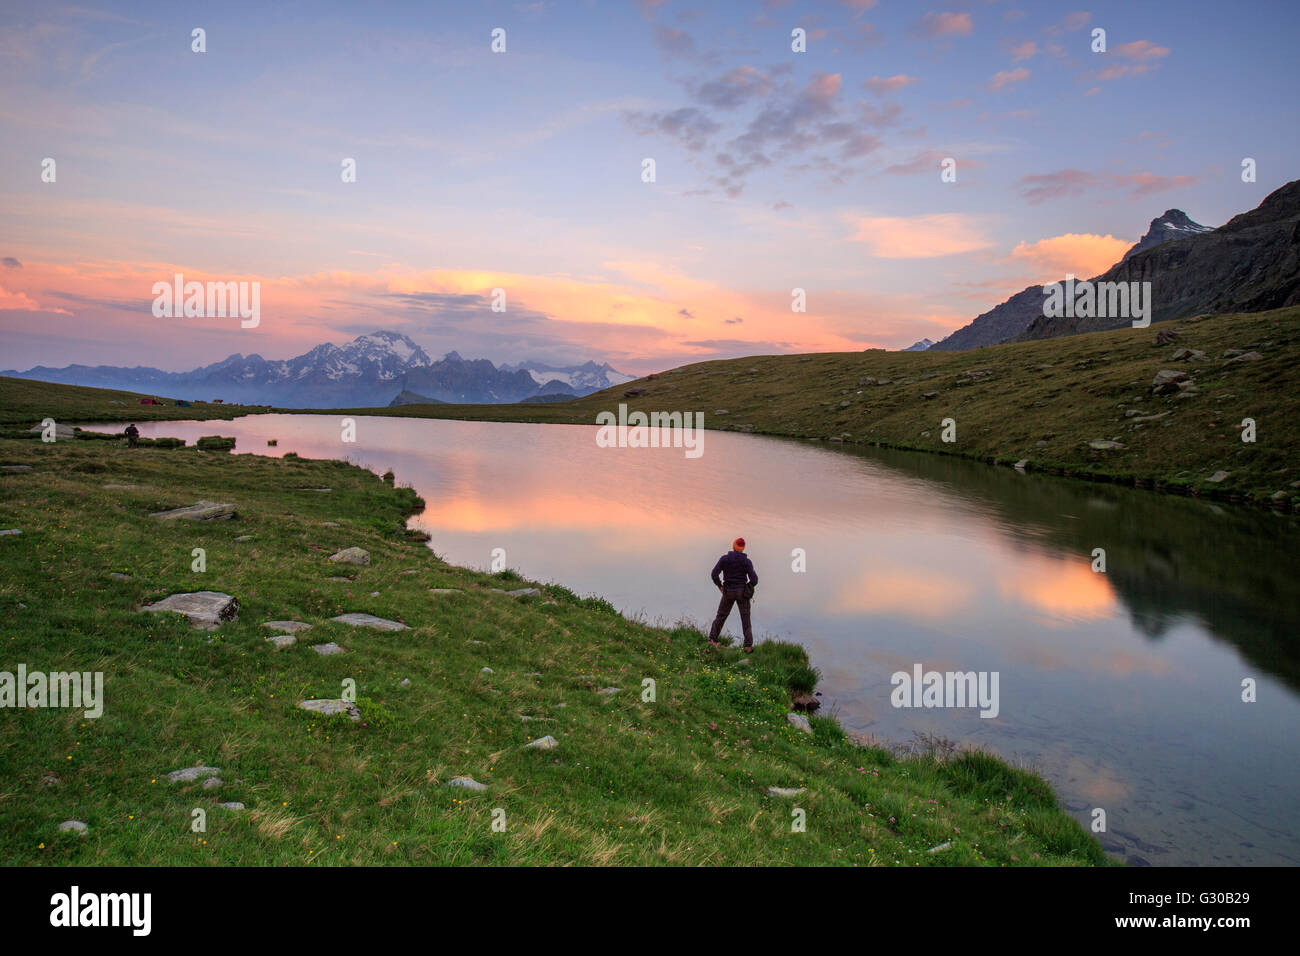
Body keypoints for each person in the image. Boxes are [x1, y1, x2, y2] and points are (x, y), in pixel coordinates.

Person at [708, 537, 758, 652]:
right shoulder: (746, 562)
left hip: (728, 592)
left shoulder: (725, 559)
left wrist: (720, 586)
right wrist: (748, 588)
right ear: (743, 548)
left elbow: (714, 574)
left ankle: (712, 641)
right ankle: (748, 646)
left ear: (734, 546)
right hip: (742, 593)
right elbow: (754, 580)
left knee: (721, 616)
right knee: (745, 619)